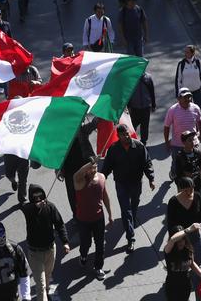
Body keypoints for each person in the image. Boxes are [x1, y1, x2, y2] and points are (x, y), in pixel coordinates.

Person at [100, 124, 156, 252]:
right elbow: (107, 166)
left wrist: (151, 178)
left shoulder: (139, 146)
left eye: (127, 133)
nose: (126, 136)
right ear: (118, 136)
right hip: (121, 184)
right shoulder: (113, 149)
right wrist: (102, 178)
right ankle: (131, 238)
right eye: (123, 134)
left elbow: (147, 163)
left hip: (136, 183)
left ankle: (131, 220)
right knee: (126, 211)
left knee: (134, 205)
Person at [20, 184, 69, 301]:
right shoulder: (28, 210)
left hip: (50, 250)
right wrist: (36, 206)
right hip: (35, 253)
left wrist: (65, 241)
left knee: (48, 275)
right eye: (34, 197)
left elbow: (59, 224)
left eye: (40, 196)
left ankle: (47, 290)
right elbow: (25, 208)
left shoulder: (50, 207)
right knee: (40, 284)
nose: (38, 199)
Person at [72, 156, 112, 279]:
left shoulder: (102, 177)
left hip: (99, 218)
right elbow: (75, 176)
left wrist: (110, 214)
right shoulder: (80, 181)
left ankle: (98, 267)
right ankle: (83, 256)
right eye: (90, 167)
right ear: (85, 169)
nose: (93, 169)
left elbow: (105, 196)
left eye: (95, 166)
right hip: (83, 219)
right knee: (86, 243)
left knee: (100, 244)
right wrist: (88, 164)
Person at [162, 224, 201, 301]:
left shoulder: (188, 249)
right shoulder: (169, 251)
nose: (180, 242)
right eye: (178, 240)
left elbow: (192, 263)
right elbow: (172, 239)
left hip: (185, 285)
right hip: (173, 287)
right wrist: (188, 229)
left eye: (182, 239)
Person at [126, 70, 156, 143]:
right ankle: (131, 141)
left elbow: (151, 91)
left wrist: (153, 104)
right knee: (132, 126)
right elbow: (128, 93)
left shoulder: (148, 77)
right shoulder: (131, 78)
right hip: (134, 107)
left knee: (145, 126)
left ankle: (143, 142)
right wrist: (128, 106)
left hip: (146, 106)